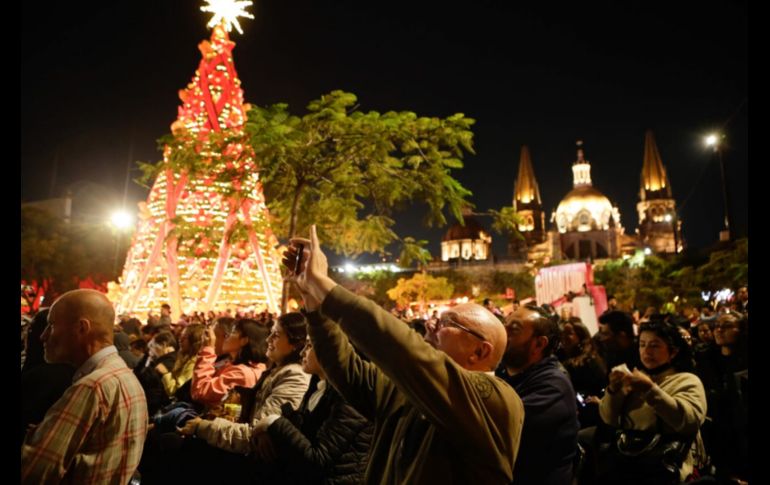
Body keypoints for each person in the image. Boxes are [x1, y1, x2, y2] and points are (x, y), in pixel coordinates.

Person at [286, 226, 524, 483]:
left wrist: (325, 287)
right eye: (436, 318)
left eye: (447, 323)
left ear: (480, 351)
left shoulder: (498, 400)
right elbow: (344, 368)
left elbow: (404, 351)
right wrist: (312, 299)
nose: (431, 325)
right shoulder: (405, 390)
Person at [21, 289, 148, 483]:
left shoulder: (92, 387)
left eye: (52, 325)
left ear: (81, 328)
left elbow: (35, 469)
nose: (43, 336)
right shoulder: (126, 377)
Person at [596, 318, 707, 484]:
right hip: (628, 465)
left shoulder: (687, 380)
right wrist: (613, 391)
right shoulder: (632, 379)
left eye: (655, 345)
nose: (646, 351)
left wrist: (650, 390)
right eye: (642, 344)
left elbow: (689, 421)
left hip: (665, 468)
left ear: (673, 351)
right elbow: (608, 418)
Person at [250, 337, 373, 483]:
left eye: (309, 346)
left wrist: (272, 421)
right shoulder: (319, 385)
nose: (302, 352)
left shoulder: (351, 396)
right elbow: (302, 431)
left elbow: (317, 460)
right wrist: (268, 431)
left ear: (336, 351)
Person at [497, 306, 579, 484]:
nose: (503, 332)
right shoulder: (502, 372)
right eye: (504, 324)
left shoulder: (553, 385)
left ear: (539, 344)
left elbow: (496, 428)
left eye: (514, 329)